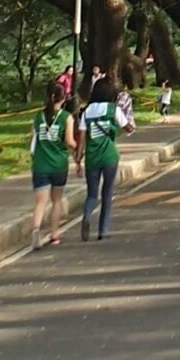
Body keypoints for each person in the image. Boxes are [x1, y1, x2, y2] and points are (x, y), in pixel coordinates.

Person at [28, 79, 75, 249]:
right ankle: (54, 233)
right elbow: (69, 141)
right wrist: (77, 148)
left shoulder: (38, 116)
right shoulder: (66, 118)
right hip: (58, 164)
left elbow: (32, 139)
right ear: (64, 98)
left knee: (40, 202)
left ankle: (35, 230)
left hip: (40, 165)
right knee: (56, 201)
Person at [78, 75, 120, 241]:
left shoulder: (86, 111)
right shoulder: (112, 109)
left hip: (92, 158)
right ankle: (103, 231)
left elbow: (81, 137)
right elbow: (127, 125)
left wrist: (78, 158)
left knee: (92, 194)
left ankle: (87, 216)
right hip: (109, 156)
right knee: (107, 193)